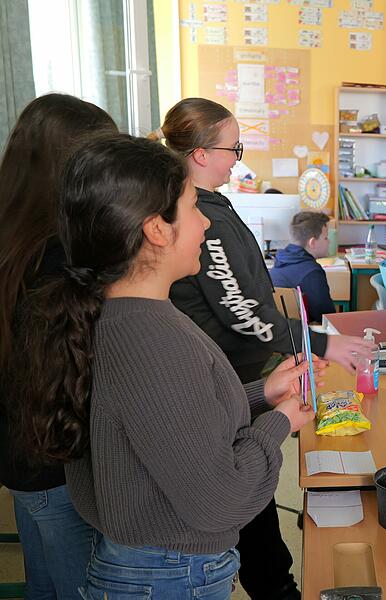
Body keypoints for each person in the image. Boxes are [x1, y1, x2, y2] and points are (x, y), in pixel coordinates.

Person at [10, 133, 316, 598]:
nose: (205, 227)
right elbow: (220, 501)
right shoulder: (149, 338)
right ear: (156, 229)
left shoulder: (125, 315)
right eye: (194, 209)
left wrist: (260, 394)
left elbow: (164, 425)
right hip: (168, 575)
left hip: (154, 565)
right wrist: (277, 424)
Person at [158, 98, 371, 600]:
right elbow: (242, 312)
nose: (238, 158)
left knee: (254, 491)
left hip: (238, 376)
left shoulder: (207, 200)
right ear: (200, 153)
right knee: (249, 497)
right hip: (227, 375)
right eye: (233, 148)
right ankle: (275, 587)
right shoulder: (199, 211)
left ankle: (272, 578)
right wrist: (320, 341)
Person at [0, 94, 118, 599]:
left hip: (23, 463)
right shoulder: (56, 258)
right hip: (59, 468)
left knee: (44, 585)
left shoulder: (15, 240)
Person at [270, 211, 336, 322]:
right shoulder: (312, 272)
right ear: (312, 243)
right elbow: (327, 318)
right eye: (326, 238)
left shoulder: (279, 262)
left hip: (282, 332)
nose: (329, 242)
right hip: (304, 335)